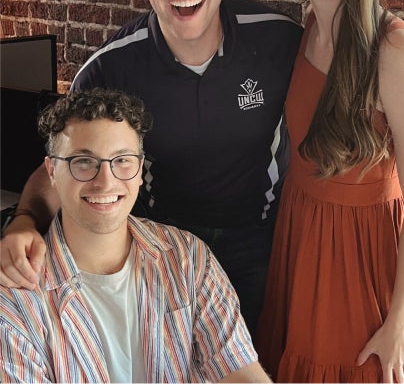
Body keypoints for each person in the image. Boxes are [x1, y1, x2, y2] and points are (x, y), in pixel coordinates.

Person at [0, 0, 302, 338]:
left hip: (261, 241)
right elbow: (66, 164)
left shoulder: (280, 40)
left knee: (253, 357)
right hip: (160, 244)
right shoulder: (109, 68)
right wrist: (23, 220)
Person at [0, 87, 271, 383]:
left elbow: (240, 369)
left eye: (122, 160)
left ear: (140, 169)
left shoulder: (189, 258)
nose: (106, 182)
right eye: (83, 161)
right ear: (52, 171)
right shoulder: (15, 296)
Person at [255, 0, 404, 383]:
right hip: (299, 241)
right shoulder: (308, 28)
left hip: (361, 260)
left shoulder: (392, 47)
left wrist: (400, 321)